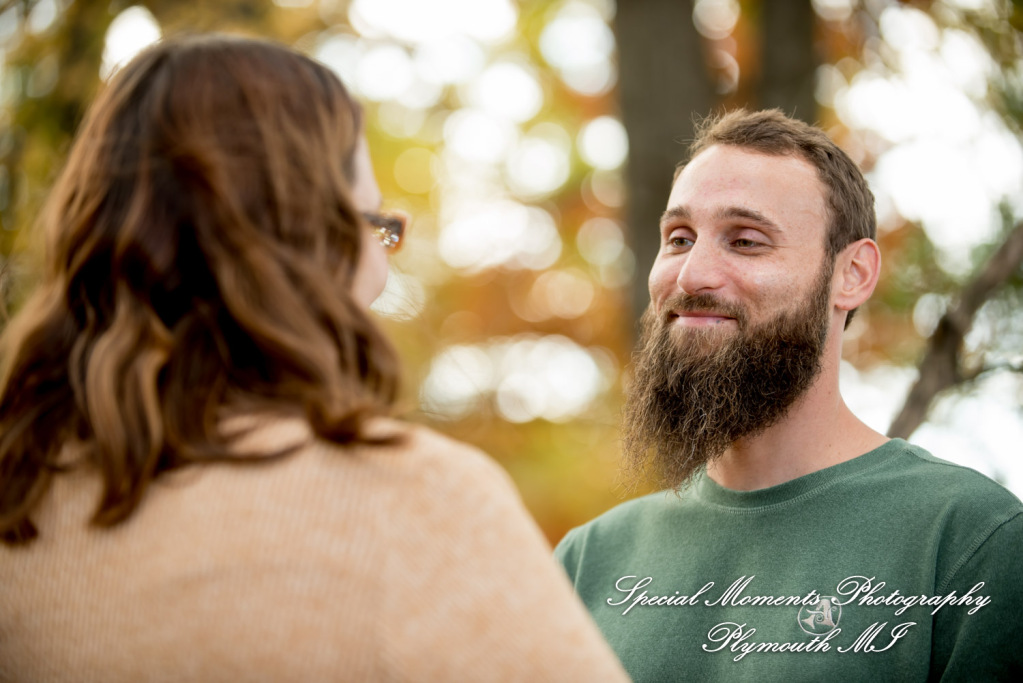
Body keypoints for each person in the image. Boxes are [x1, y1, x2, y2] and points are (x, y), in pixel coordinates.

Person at [0, 35, 629, 682]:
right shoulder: (414, 505)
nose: (382, 271)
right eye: (373, 226)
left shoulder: (19, 508)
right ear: (305, 241)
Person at [555, 109, 1023, 681]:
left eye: (746, 241)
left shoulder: (974, 544)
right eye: (679, 238)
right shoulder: (588, 563)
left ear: (851, 275)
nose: (692, 274)